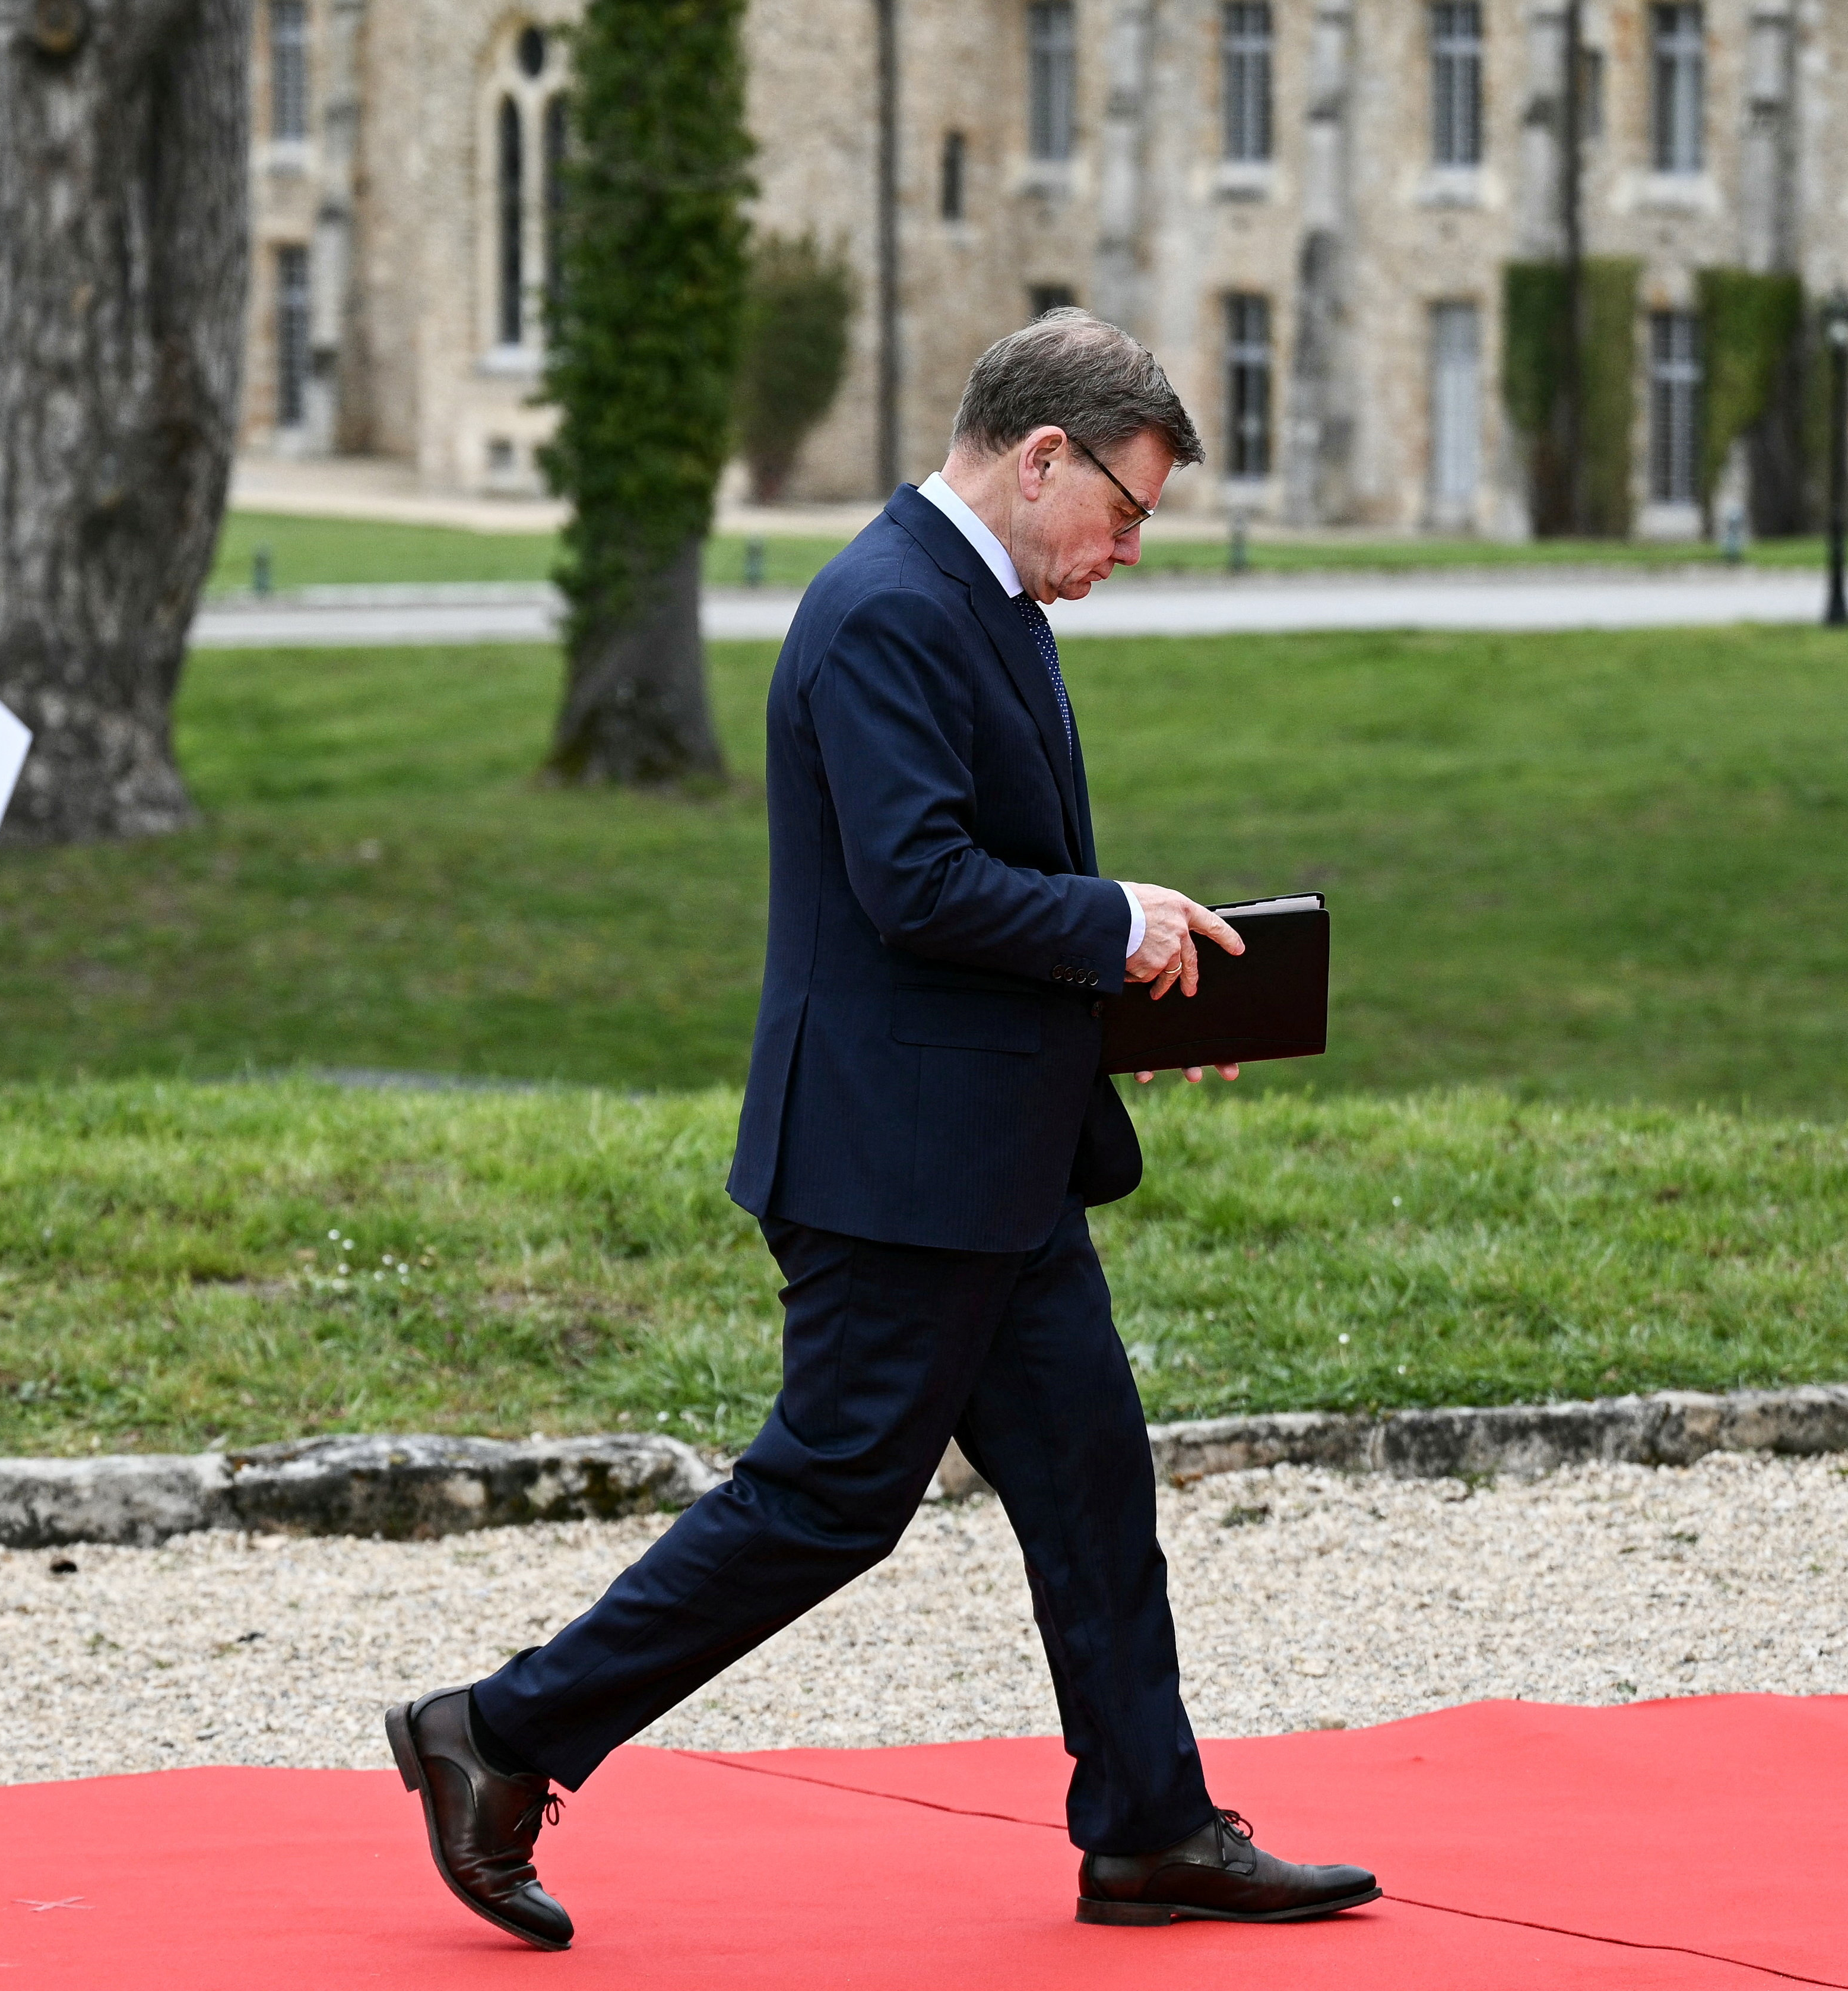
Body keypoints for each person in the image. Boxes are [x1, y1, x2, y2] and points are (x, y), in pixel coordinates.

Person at [383, 309, 1377, 1949]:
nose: (1128, 547)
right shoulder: (885, 614)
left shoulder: (980, 603)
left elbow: (979, 896)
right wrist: (1110, 919)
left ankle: (1147, 1827)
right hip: (894, 1165)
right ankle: (494, 1736)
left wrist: (1133, 982)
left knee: (1089, 1485)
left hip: (994, 1153)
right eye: (1123, 510)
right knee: (828, 1499)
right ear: (1041, 455)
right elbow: (912, 882)